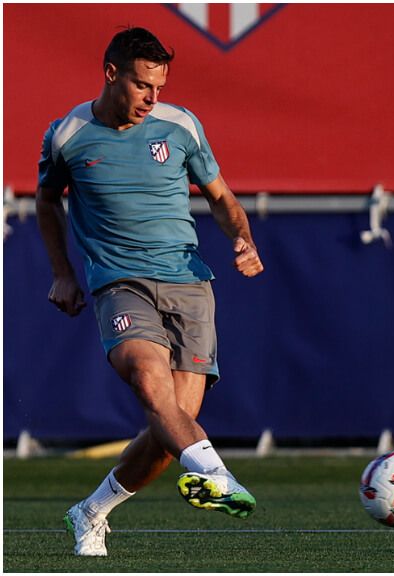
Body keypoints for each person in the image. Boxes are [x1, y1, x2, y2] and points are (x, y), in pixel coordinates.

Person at [36, 28, 265, 557]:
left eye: (159, 86)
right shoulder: (67, 134)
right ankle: (216, 473)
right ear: (111, 72)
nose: (152, 98)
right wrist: (62, 271)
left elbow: (221, 196)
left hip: (189, 282)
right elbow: (48, 203)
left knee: (171, 433)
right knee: (146, 375)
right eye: (142, 85)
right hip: (119, 282)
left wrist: (242, 239)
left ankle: (91, 511)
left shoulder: (180, 125)